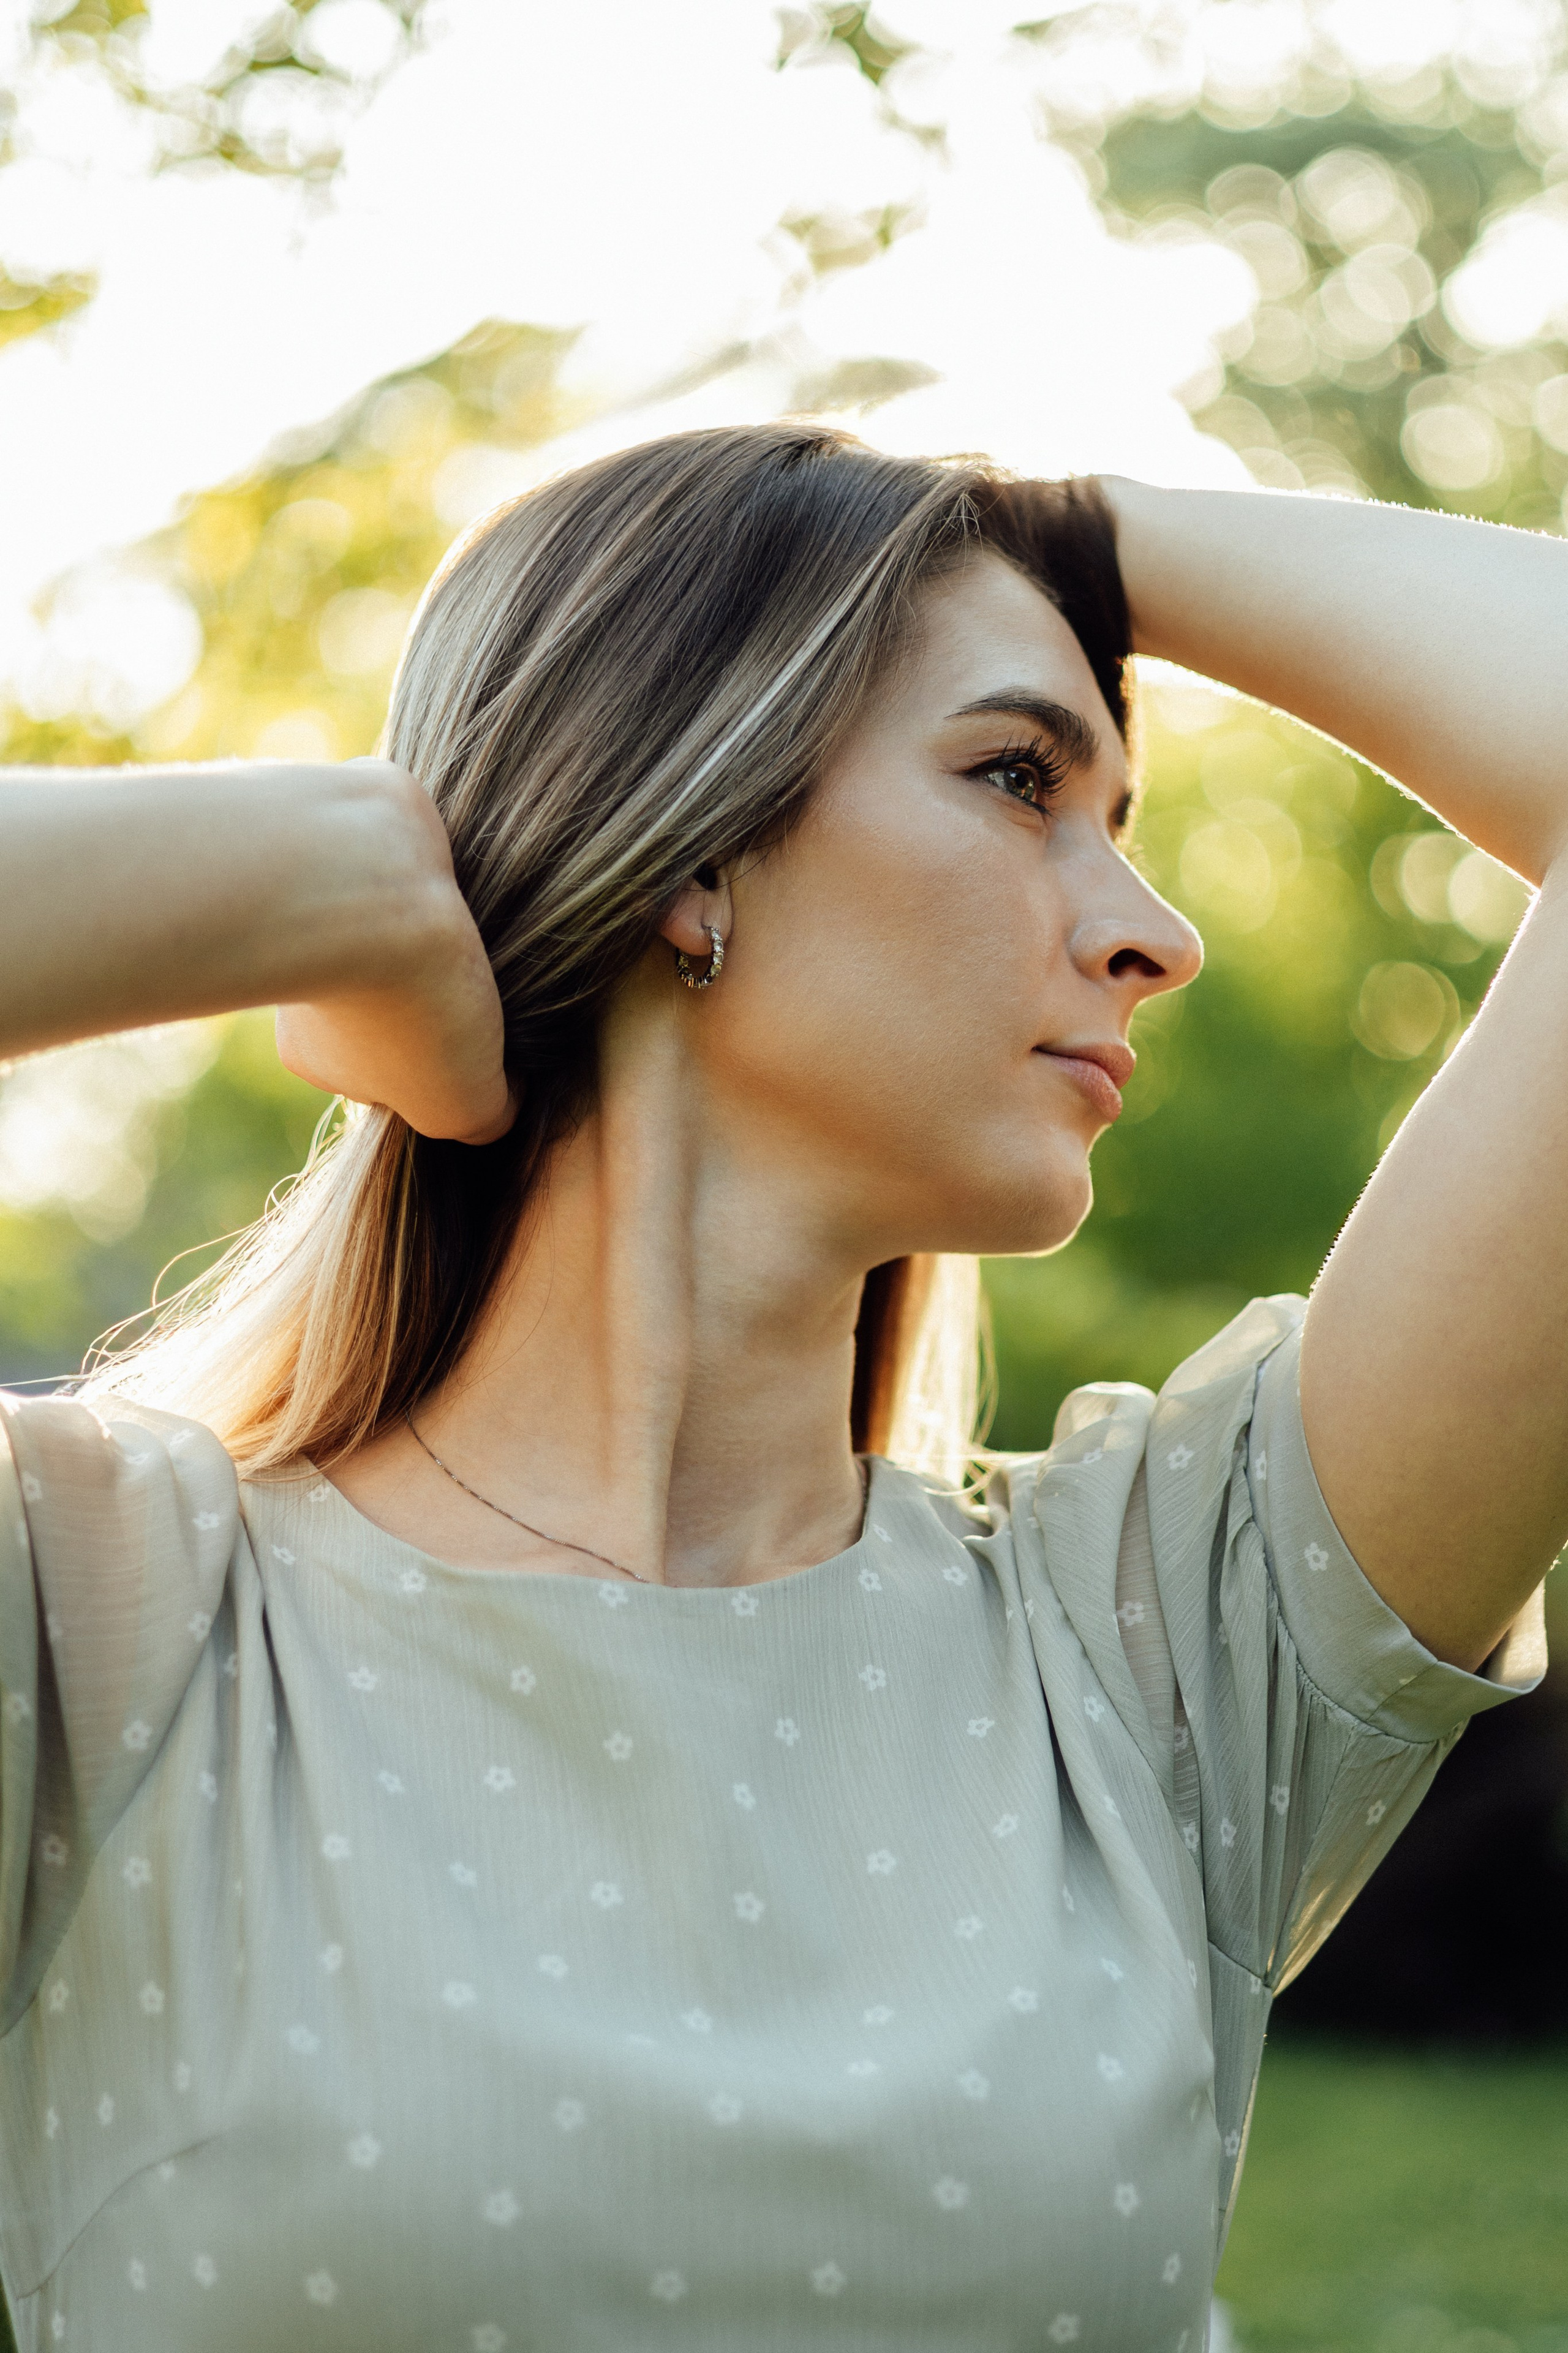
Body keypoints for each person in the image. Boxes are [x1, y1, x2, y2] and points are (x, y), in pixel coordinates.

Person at [0, 423, 1556, 2352]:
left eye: (1123, 819)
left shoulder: (1158, 1645)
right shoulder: (104, 1608)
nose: (1155, 932)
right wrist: (325, 868)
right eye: (1017, 780)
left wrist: (1072, 523)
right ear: (686, 838)